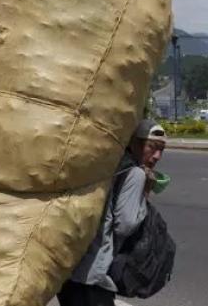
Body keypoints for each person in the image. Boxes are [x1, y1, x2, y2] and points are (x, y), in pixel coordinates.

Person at [57, 119, 167, 306]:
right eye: (152, 147)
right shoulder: (135, 173)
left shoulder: (108, 166)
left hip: (69, 268)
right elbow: (125, 225)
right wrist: (144, 197)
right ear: (134, 143)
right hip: (93, 274)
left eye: (161, 150)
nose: (157, 156)